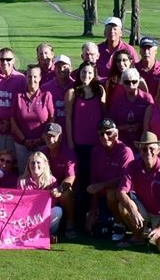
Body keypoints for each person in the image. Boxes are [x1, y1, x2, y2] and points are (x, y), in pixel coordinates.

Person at [116, 132, 160, 254]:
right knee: (123, 205)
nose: (148, 152)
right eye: (144, 149)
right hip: (144, 208)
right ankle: (137, 237)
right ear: (140, 150)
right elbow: (121, 192)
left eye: (152, 149)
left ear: (158, 150)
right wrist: (133, 210)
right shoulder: (133, 166)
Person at [65, 61, 106, 223]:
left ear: (94, 74)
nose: (86, 76)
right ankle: (79, 215)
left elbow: (103, 115)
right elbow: (68, 118)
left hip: (97, 143)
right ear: (79, 73)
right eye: (83, 72)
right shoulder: (72, 93)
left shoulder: (99, 91)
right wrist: (70, 141)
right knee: (80, 179)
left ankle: (94, 213)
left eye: (90, 73)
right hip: (79, 142)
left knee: (94, 178)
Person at [86, 118, 134, 235]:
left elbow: (124, 179)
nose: (105, 137)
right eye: (101, 134)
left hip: (122, 196)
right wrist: (93, 210)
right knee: (92, 229)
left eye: (108, 133)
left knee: (112, 193)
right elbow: (94, 182)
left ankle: (119, 224)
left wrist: (102, 185)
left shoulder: (125, 151)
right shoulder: (96, 151)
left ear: (116, 133)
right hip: (102, 197)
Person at [11, 65, 55, 172]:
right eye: (29, 76)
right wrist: (24, 140)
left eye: (35, 77)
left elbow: (52, 119)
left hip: (42, 145)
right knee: (24, 173)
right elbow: (13, 122)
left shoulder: (46, 96)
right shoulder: (18, 97)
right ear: (26, 78)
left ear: (40, 78)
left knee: (41, 175)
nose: (32, 80)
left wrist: (41, 139)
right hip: (22, 145)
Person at [40, 123, 77, 238]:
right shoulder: (42, 153)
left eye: (53, 136)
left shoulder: (68, 154)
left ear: (60, 137)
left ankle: (70, 224)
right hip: (46, 188)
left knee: (66, 192)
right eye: (47, 136)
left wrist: (60, 188)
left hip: (61, 188)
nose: (50, 139)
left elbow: (71, 177)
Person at [18, 152, 64, 240]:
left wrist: (55, 193)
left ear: (44, 164)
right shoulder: (22, 181)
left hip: (45, 215)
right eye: (32, 162)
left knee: (58, 210)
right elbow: (20, 203)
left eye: (38, 162)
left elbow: (53, 203)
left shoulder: (52, 180)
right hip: (28, 216)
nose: (35, 165)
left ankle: (44, 233)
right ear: (28, 165)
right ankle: (41, 235)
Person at [108, 68, 154, 150]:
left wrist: (140, 126)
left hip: (142, 144)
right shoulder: (117, 100)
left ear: (138, 81)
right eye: (127, 82)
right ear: (122, 83)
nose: (131, 85)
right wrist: (125, 127)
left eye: (134, 81)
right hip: (123, 144)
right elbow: (111, 125)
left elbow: (153, 121)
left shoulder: (146, 98)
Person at [41, 55, 74, 130]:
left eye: (65, 67)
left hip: (72, 130)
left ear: (70, 69)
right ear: (54, 69)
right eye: (58, 67)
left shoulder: (76, 86)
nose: (61, 69)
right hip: (51, 131)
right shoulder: (45, 88)